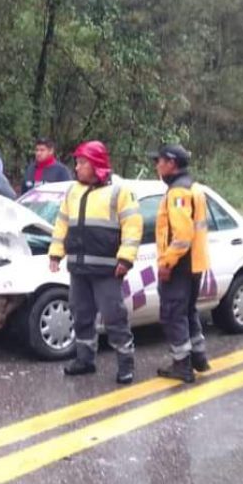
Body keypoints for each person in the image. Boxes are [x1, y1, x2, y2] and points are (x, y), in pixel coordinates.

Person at [48, 141, 143, 382]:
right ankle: (85, 360)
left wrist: (125, 259)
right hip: (79, 267)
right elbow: (61, 224)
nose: (77, 168)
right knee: (81, 314)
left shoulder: (119, 192)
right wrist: (55, 253)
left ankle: (125, 364)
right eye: (77, 163)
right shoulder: (73, 191)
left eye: (82, 163)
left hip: (107, 269)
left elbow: (133, 227)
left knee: (114, 317)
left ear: (97, 165)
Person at [150, 143, 211, 383]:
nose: (157, 166)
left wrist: (166, 264)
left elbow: (183, 236)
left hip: (180, 266)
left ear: (171, 163)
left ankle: (182, 365)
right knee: (187, 312)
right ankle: (198, 357)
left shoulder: (178, 193)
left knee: (174, 315)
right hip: (194, 264)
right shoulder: (194, 188)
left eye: (160, 161)